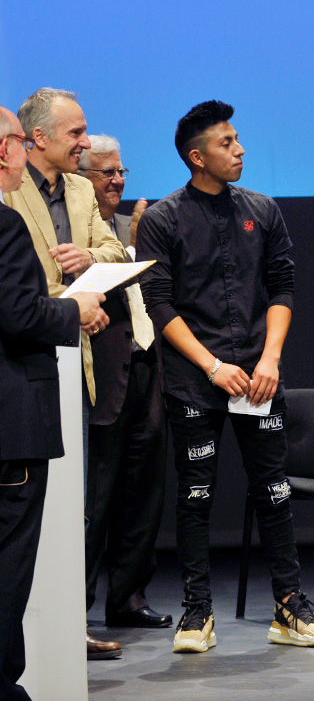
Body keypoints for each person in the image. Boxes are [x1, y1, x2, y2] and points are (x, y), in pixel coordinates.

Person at [137, 100, 314, 653]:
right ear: (197, 157)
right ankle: (197, 611)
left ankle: (289, 607)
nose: (240, 149)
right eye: (226, 143)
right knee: (196, 495)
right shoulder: (162, 219)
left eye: (238, 138)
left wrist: (269, 358)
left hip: (257, 375)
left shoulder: (263, 210)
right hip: (195, 380)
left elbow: (282, 287)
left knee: (274, 490)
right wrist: (212, 365)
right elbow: (159, 304)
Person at [6, 88, 126, 660]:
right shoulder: (8, 192)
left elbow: (116, 250)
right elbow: (14, 291)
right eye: (75, 133)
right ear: (37, 139)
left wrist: (89, 259)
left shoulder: (80, 189)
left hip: (75, 358)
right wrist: (71, 307)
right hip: (27, 354)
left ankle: (67, 623)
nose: (84, 142)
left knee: (74, 498)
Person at [78, 136, 171, 629]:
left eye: (121, 172)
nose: (117, 181)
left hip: (145, 368)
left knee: (142, 492)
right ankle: (75, 609)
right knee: (94, 500)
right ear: (79, 178)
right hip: (98, 378)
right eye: (105, 173)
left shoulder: (132, 228)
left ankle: (128, 599)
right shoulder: (76, 232)